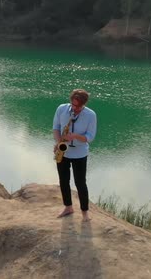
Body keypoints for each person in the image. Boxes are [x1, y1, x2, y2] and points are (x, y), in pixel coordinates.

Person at [52, 89, 97, 222]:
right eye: (73, 104)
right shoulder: (61, 109)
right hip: (63, 151)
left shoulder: (91, 115)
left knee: (80, 183)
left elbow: (90, 137)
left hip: (80, 153)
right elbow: (56, 127)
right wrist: (58, 142)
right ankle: (68, 207)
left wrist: (75, 136)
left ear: (84, 104)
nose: (75, 108)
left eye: (78, 106)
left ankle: (85, 212)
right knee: (63, 181)